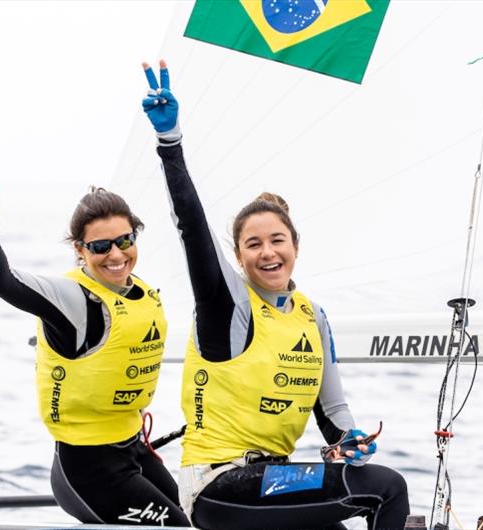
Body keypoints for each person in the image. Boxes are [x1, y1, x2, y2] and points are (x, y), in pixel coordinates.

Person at [140, 61, 410, 530]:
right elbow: (192, 228)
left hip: (272, 478)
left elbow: (332, 410)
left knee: (355, 494)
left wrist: (350, 438)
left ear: (296, 246)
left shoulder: (312, 315)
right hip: (218, 485)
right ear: (239, 257)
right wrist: (171, 143)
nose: (267, 253)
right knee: (386, 489)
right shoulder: (229, 307)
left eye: (277, 240)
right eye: (253, 244)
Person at [0, 181, 190, 527]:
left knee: (194, 518)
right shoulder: (72, 298)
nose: (116, 255)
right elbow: (3, 282)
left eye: (125, 241)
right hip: (89, 472)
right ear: (80, 250)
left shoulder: (139, 291)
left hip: (132, 451)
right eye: (100, 246)